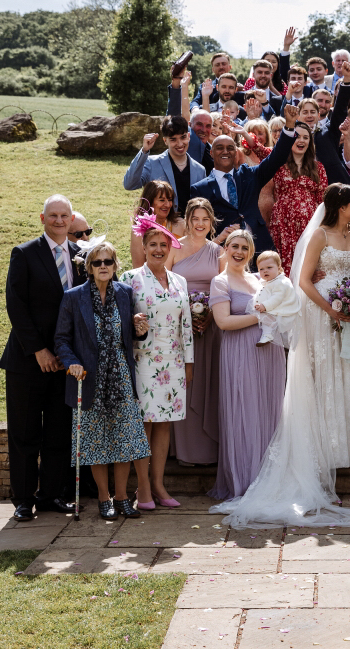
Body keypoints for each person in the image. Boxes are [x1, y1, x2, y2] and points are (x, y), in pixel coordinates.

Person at [211, 185, 350, 530]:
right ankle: (322, 457)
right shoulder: (319, 235)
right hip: (320, 313)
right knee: (324, 379)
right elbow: (305, 282)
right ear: (340, 205)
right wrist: (331, 309)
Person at [0, 195, 87, 521]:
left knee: (58, 432)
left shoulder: (82, 256)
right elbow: (16, 304)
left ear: (72, 218)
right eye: (53, 215)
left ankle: (50, 495)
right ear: (43, 218)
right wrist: (38, 349)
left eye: (64, 215)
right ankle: (23, 500)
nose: (59, 221)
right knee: (24, 433)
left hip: (65, 363)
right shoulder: (24, 253)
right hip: (27, 360)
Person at [54, 240, 152, 519]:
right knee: (96, 442)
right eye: (97, 262)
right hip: (89, 378)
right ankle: (103, 498)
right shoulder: (73, 297)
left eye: (108, 261)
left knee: (124, 440)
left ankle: (121, 497)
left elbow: (129, 334)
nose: (103, 266)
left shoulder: (124, 293)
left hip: (121, 376)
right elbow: (61, 339)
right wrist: (71, 362)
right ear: (89, 267)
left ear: (115, 265)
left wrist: (140, 330)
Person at [121, 215, 194, 509]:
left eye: (163, 244)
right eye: (153, 244)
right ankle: (142, 488)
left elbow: (186, 325)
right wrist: (132, 321)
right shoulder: (130, 278)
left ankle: (159, 485)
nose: (159, 249)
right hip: (143, 360)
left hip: (173, 361)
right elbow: (119, 321)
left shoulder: (179, 280)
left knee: (164, 424)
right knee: (145, 425)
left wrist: (189, 362)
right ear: (144, 246)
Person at [208, 231, 287, 501]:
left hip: (270, 354)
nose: (239, 252)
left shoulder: (259, 279)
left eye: (245, 247)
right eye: (234, 246)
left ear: (251, 252)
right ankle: (246, 481)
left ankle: (271, 479)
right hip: (240, 353)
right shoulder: (220, 282)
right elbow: (223, 322)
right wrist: (259, 316)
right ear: (226, 249)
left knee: (269, 412)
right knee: (245, 412)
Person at [165, 198, 232, 467]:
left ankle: (209, 449)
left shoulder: (219, 252)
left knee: (209, 382)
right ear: (188, 221)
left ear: (212, 221)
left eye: (205, 219)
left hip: (211, 326)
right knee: (185, 384)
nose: (200, 224)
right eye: (195, 219)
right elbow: (164, 285)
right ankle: (184, 450)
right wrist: (185, 316)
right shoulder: (173, 247)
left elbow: (225, 288)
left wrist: (210, 317)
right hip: (179, 326)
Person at [188, 104, 298, 258]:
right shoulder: (200, 189)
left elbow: (277, 157)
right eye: (220, 148)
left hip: (260, 248)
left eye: (230, 148)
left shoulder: (250, 175)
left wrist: (290, 126)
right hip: (225, 253)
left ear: (236, 152)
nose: (225, 151)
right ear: (211, 153)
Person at [268, 122, 328, 274]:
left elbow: (322, 200)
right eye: (297, 136)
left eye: (305, 137)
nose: (301, 140)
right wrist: (244, 134)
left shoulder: (318, 167)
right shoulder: (278, 163)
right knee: (285, 265)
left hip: (310, 223)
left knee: (307, 266)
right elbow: (258, 149)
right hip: (283, 222)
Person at [123, 115, 206, 216]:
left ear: (188, 136)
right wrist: (144, 151)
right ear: (165, 141)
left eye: (183, 137)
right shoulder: (151, 163)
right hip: (158, 224)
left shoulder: (200, 170)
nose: (180, 144)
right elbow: (129, 184)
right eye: (173, 139)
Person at [250, 251, 301, 347]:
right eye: (261, 269)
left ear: (279, 268)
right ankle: (267, 334)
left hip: (283, 307)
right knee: (266, 318)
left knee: (268, 318)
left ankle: (267, 335)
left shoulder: (281, 282)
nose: (265, 271)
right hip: (274, 305)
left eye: (269, 267)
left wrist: (265, 306)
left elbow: (277, 298)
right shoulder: (269, 280)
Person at [129, 180, 184, 267]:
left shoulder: (181, 224)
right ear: (150, 201)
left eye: (170, 200)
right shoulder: (139, 230)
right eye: (162, 200)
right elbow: (138, 266)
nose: (167, 204)